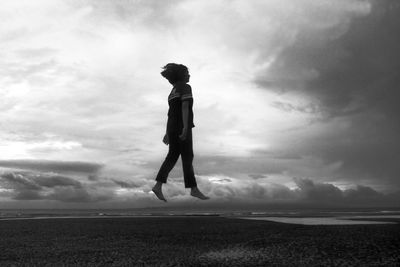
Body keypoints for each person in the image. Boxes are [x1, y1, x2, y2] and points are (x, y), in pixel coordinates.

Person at [152, 63, 209, 202]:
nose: (189, 75)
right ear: (182, 75)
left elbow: (170, 114)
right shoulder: (185, 87)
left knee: (172, 157)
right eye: (187, 73)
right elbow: (184, 107)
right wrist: (185, 128)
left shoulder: (172, 93)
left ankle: (158, 186)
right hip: (182, 127)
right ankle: (193, 189)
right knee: (187, 157)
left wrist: (167, 132)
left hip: (172, 127)